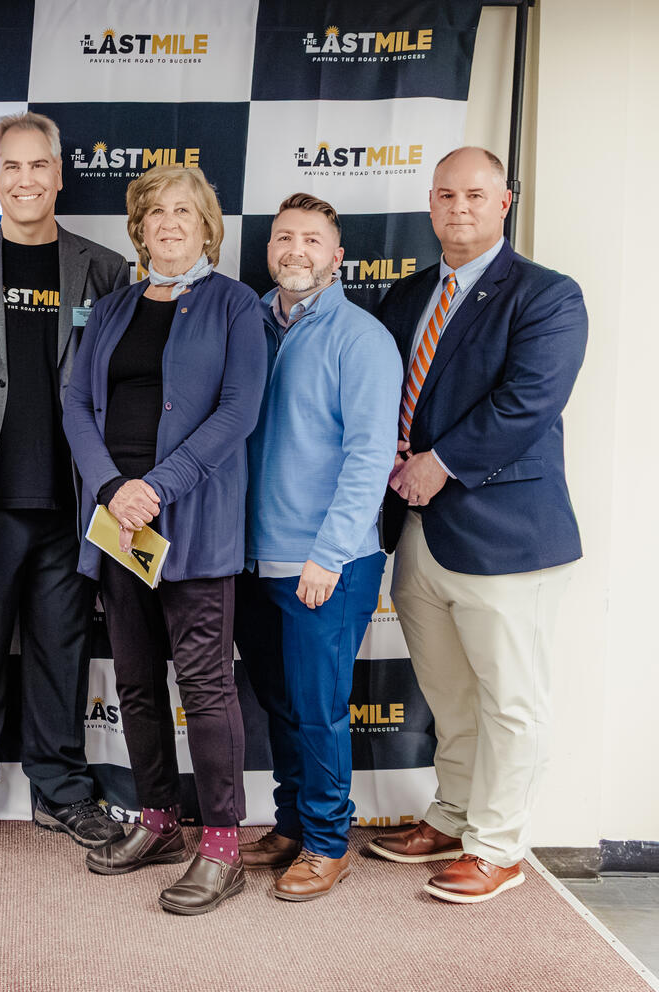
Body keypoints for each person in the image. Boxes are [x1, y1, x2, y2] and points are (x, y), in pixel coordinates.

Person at [368, 147, 587, 903]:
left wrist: (439, 461)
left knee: (511, 700)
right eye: (446, 195)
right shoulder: (405, 297)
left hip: (503, 532)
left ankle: (498, 845)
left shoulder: (548, 295)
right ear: (430, 204)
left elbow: (528, 402)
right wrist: (386, 442)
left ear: (506, 202)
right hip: (418, 531)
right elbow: (386, 390)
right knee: (450, 695)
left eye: (476, 194)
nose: (459, 207)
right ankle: (455, 815)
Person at [63, 164, 267, 915]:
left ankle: (222, 847)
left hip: (194, 525)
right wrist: (115, 489)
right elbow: (77, 403)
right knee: (138, 681)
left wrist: (159, 485)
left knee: (207, 687)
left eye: (183, 212)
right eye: (155, 213)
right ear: (139, 228)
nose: (169, 224)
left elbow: (239, 410)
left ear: (206, 224)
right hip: (120, 525)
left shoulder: (236, 306)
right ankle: (159, 821)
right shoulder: (112, 308)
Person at [0, 111, 128, 853]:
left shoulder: (104, 269)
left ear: (57, 173)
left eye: (36, 166)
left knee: (61, 652)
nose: (24, 180)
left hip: (74, 501)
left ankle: (62, 789)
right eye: (10, 167)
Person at [234, 194, 401, 900]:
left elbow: (369, 459)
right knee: (279, 702)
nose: (295, 249)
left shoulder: (360, 338)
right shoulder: (252, 326)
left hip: (324, 564)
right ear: (269, 250)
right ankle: (296, 820)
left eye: (312, 239)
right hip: (252, 560)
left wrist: (329, 554)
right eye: (283, 238)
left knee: (320, 706)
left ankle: (329, 841)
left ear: (338, 256)